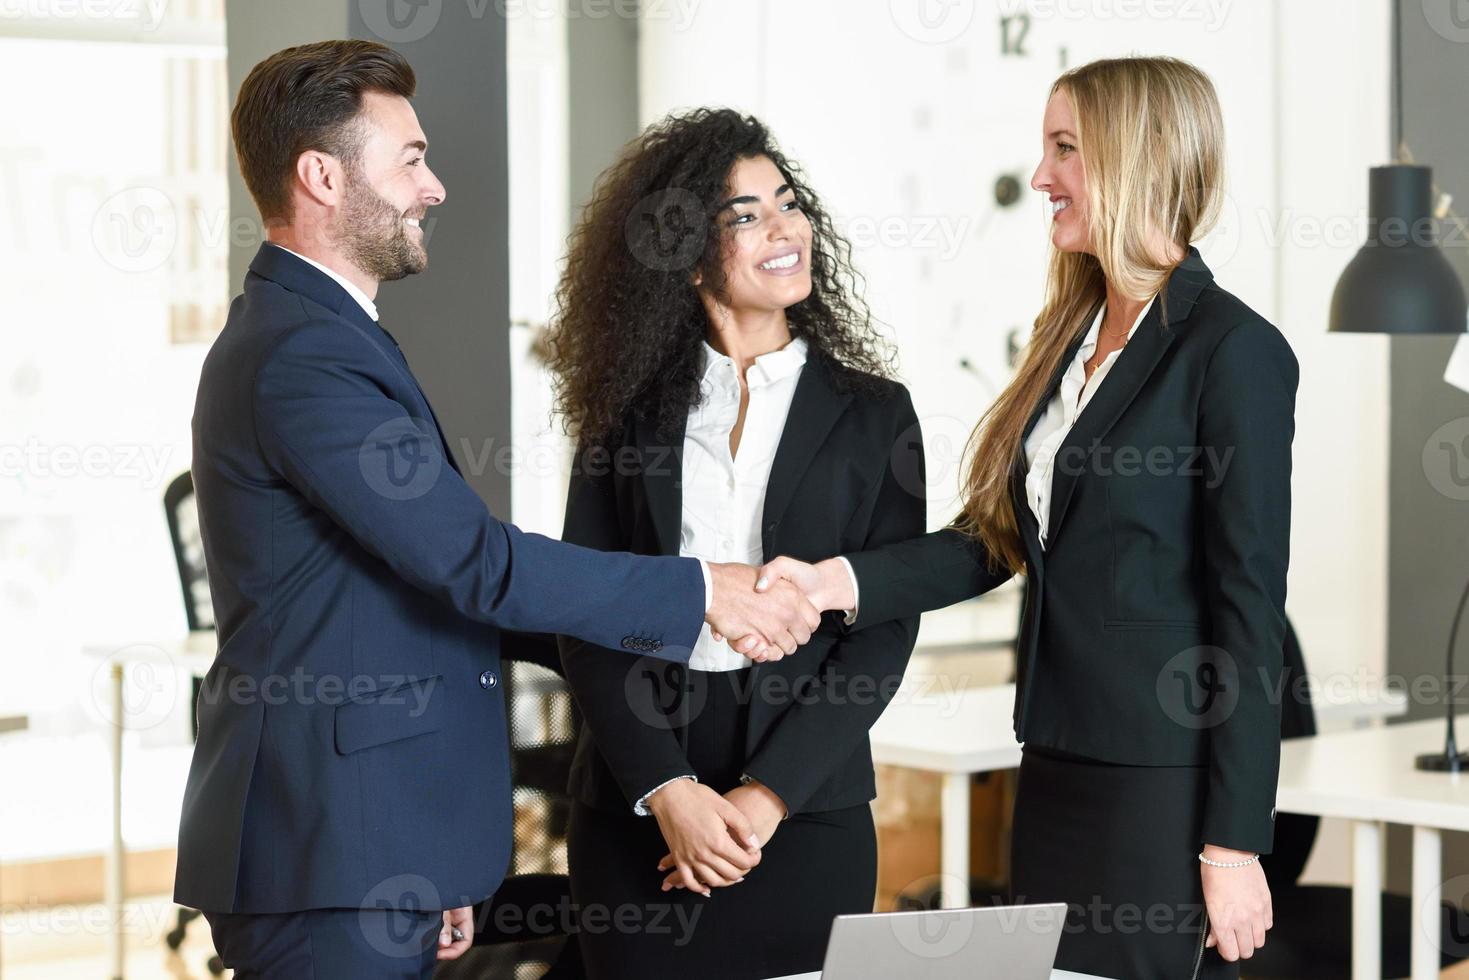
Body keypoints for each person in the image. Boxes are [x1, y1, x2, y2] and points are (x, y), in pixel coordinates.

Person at [175, 41, 818, 980]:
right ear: (320, 176)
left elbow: (412, 601)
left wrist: (431, 864)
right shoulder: (304, 355)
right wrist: (700, 594)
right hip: (325, 859)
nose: (432, 187)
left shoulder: (329, 335)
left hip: (370, 845)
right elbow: (473, 564)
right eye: (409, 159)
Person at [758, 56, 1296, 979]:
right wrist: (833, 581)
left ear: (1140, 156)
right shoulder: (1073, 337)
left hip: (1157, 790)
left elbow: (1247, 612)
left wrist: (1234, 846)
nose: (1042, 177)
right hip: (1048, 766)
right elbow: (995, 538)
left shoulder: (1233, 352)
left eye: (1064, 149)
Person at [543, 108, 924, 979]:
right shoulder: (625, 412)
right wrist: (667, 791)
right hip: (637, 789)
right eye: (744, 215)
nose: (784, 227)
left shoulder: (876, 414)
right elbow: (585, 609)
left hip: (806, 794)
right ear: (682, 253)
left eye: (786, 203)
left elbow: (884, 624)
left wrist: (763, 800)